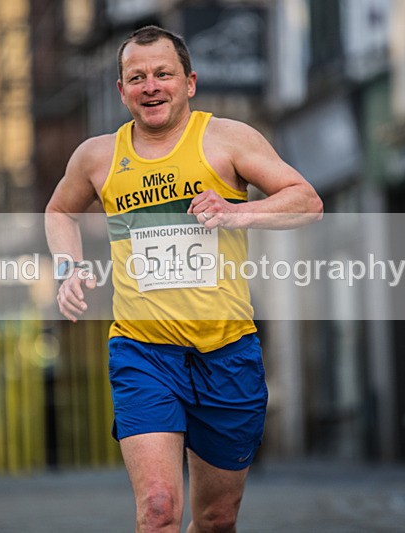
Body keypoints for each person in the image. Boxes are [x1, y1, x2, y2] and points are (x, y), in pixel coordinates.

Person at [45, 26, 322, 532]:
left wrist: (238, 213)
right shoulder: (97, 156)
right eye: (137, 78)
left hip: (227, 353)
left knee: (216, 519)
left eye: (163, 74)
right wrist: (68, 267)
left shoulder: (228, 139)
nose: (151, 86)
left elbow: (306, 201)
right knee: (158, 508)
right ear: (122, 90)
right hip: (143, 352)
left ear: (189, 83)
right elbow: (60, 210)